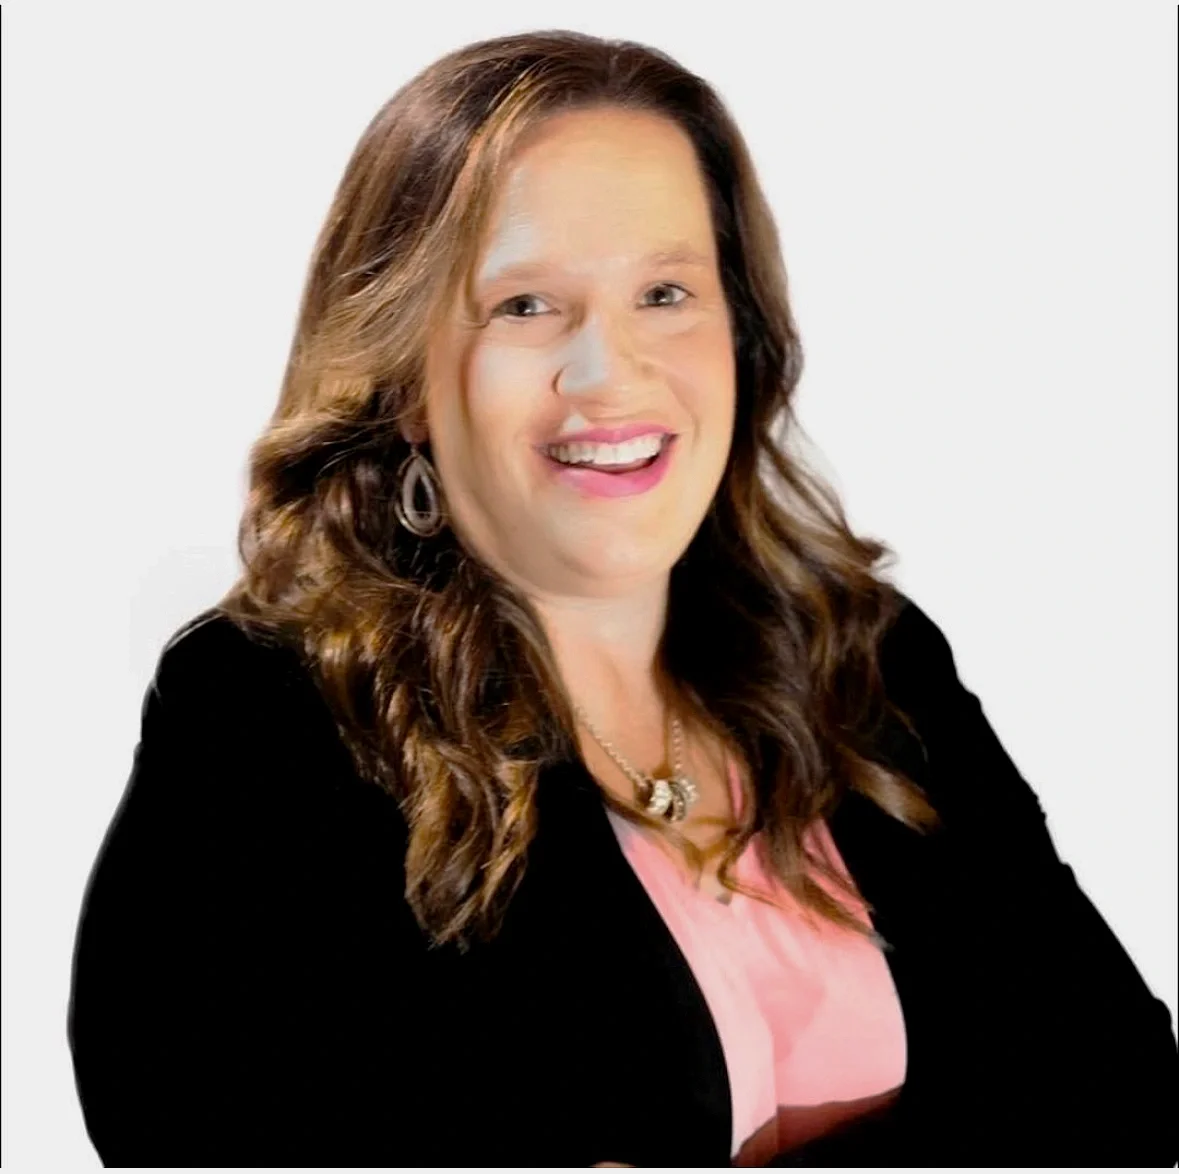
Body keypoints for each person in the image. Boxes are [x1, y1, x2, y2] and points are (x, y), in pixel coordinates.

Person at [66, 29, 1177, 1168]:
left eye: (665, 292)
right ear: (403, 380)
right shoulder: (271, 712)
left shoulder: (865, 658)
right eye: (525, 306)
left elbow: (1122, 1092)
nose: (611, 374)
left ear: (740, 336)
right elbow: (200, 1135)